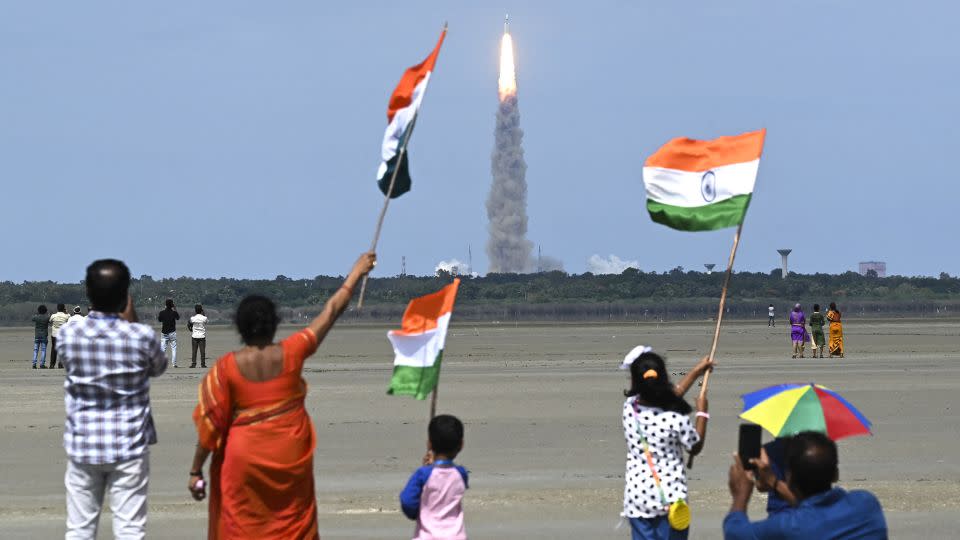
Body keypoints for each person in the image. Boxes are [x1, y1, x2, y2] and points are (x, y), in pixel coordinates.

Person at [188, 252, 376, 539]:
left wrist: (195, 471)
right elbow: (333, 309)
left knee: (242, 526)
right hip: (290, 456)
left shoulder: (226, 368)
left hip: (243, 460)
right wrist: (356, 273)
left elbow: (210, 428)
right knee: (292, 524)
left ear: (239, 327)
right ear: (274, 324)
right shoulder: (293, 351)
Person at [57, 259, 167, 539]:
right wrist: (131, 320)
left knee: (79, 529)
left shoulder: (69, 334)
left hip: (83, 443)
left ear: (89, 294)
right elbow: (158, 367)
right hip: (129, 444)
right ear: (125, 296)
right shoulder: (141, 336)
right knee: (130, 529)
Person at [620, 347, 713, 540]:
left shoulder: (630, 409)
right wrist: (702, 413)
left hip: (638, 499)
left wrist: (697, 371)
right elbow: (695, 446)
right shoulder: (674, 419)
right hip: (671, 501)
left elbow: (670, 395)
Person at [723, 431, 887, 539]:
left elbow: (735, 532)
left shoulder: (789, 527)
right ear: (835, 474)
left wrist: (740, 496)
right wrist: (774, 483)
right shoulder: (866, 504)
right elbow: (817, 513)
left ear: (790, 478)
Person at [400, 414, 469, 540]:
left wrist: (418, 513)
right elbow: (445, 476)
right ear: (461, 445)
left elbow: (407, 501)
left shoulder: (423, 474)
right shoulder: (461, 474)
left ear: (429, 444)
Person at [157, 299, 180, 367]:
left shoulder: (162, 312)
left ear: (166, 305)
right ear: (172, 305)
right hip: (172, 332)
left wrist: (163, 310)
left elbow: (159, 320)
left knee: (163, 348)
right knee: (173, 348)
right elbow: (178, 318)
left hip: (164, 332)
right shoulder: (173, 312)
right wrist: (175, 309)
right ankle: (174, 364)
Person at [49, 304, 72, 369]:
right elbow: (69, 320)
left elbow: (50, 321)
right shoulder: (67, 316)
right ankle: (60, 364)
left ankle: (52, 364)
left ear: (57, 308)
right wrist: (66, 312)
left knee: (53, 349)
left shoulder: (53, 316)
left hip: (54, 335)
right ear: (64, 308)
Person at [188, 304, 208, 369]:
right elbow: (206, 322)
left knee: (194, 351)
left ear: (195, 311)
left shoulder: (193, 318)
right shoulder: (204, 318)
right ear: (201, 310)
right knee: (202, 351)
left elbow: (189, 323)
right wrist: (203, 313)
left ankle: (193, 364)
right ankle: (203, 364)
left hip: (194, 336)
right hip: (202, 336)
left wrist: (191, 329)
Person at [31, 304, 51, 369]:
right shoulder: (47, 317)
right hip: (44, 336)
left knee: (35, 350)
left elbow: (32, 318)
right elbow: (50, 319)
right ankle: (42, 364)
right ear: (45, 311)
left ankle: (34, 364)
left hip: (37, 335)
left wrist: (37, 313)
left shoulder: (36, 317)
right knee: (43, 350)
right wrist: (48, 313)